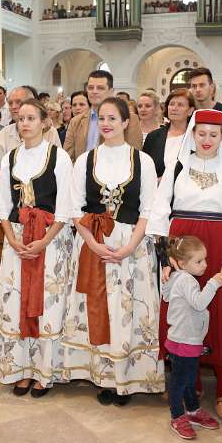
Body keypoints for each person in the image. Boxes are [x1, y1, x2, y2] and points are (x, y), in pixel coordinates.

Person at [148, 109, 222, 421]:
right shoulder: (177, 166)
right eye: (201, 133)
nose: (207, 140)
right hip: (180, 248)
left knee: (217, 314)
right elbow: (161, 212)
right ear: (192, 134)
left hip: (217, 252)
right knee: (181, 314)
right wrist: (166, 259)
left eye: (213, 134)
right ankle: (187, 384)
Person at [62, 97, 163, 405]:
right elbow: (74, 206)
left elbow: (149, 207)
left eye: (112, 118)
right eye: (101, 118)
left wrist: (130, 245)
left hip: (133, 244)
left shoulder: (142, 160)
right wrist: (93, 243)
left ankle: (129, 379)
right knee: (99, 308)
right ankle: (104, 378)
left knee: (128, 311)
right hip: (93, 241)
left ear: (125, 122)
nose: (106, 123)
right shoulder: (86, 160)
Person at [0, 99, 74, 397]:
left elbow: (65, 208)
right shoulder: (10, 158)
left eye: (31, 118)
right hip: (16, 237)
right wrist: (13, 239)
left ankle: (44, 372)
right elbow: (3, 205)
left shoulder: (59, 157)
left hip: (50, 239)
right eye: (20, 118)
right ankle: (21, 370)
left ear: (45, 122)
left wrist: (44, 240)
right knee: (16, 303)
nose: (24, 123)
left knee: (46, 303)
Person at [162, 236, 222, 439]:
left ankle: (192, 411)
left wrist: (169, 275)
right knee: (179, 382)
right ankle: (177, 416)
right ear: (182, 263)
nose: (205, 265)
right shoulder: (186, 280)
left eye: (205, 260)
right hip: (183, 341)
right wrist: (213, 284)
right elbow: (199, 303)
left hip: (188, 341)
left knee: (190, 380)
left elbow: (166, 295)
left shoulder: (179, 277)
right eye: (199, 261)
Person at [63, 70, 142, 161]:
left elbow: (133, 156)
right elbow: (68, 157)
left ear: (111, 91)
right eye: (90, 87)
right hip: (82, 172)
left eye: (100, 88)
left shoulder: (130, 119)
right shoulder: (76, 121)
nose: (94, 91)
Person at [0, 87, 61, 178]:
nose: (13, 107)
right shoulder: (4, 133)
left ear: (32, 104)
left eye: (18, 102)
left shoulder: (50, 131)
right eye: (10, 103)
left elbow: (58, 166)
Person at [143, 89, 196, 178]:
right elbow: (144, 168)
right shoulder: (153, 137)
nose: (174, 108)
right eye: (171, 104)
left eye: (180, 105)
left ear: (190, 110)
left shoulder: (196, 137)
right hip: (157, 189)